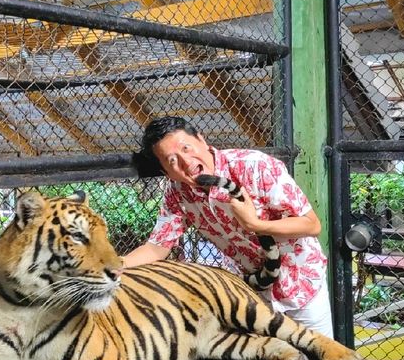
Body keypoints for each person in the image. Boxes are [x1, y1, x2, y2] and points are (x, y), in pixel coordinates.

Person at [122, 116, 334, 337]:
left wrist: (255, 224)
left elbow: (311, 225)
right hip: (247, 290)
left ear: (202, 141)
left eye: (186, 147)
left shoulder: (254, 166)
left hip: (299, 281)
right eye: (172, 160)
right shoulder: (177, 193)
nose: (185, 161)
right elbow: (158, 246)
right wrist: (116, 265)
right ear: (166, 172)